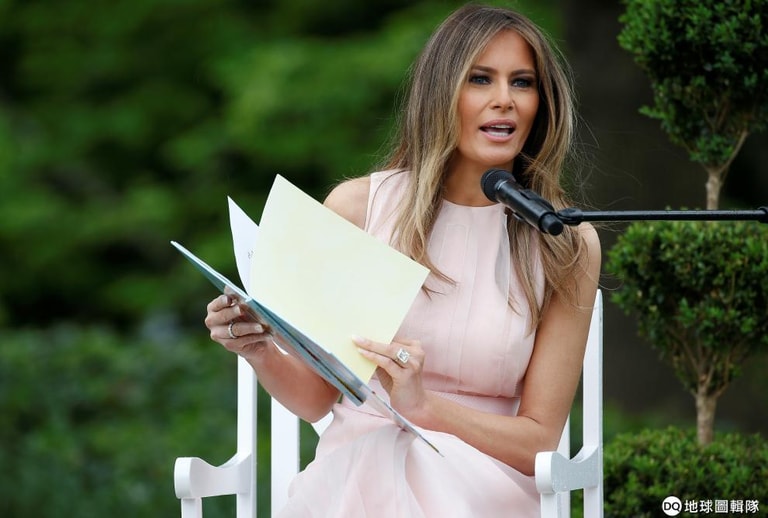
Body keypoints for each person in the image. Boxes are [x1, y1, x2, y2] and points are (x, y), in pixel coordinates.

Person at [204, 4, 601, 517]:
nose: (505, 99)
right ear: (441, 93)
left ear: (541, 105)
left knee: (410, 466)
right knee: (380, 457)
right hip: (358, 470)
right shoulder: (358, 210)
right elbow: (317, 398)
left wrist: (426, 409)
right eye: (480, 79)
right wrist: (258, 348)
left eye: (522, 83)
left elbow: (539, 442)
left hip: (487, 484)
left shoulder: (564, 241)